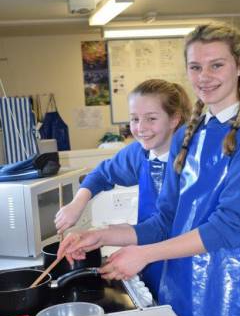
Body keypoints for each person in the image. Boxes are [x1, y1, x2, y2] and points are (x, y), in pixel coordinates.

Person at [57, 21, 240, 316]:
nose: (205, 77)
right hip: (177, 291)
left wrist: (144, 255)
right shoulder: (189, 133)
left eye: (217, 65)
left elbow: (231, 227)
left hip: (228, 296)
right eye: (196, 67)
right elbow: (166, 220)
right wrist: (102, 235)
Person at [55, 78, 192, 299]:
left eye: (151, 119)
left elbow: (166, 226)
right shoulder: (140, 153)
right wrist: (77, 204)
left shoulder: (190, 160)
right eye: (134, 119)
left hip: (186, 260)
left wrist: (101, 235)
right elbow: (101, 174)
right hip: (147, 253)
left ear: (174, 119)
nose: (141, 128)